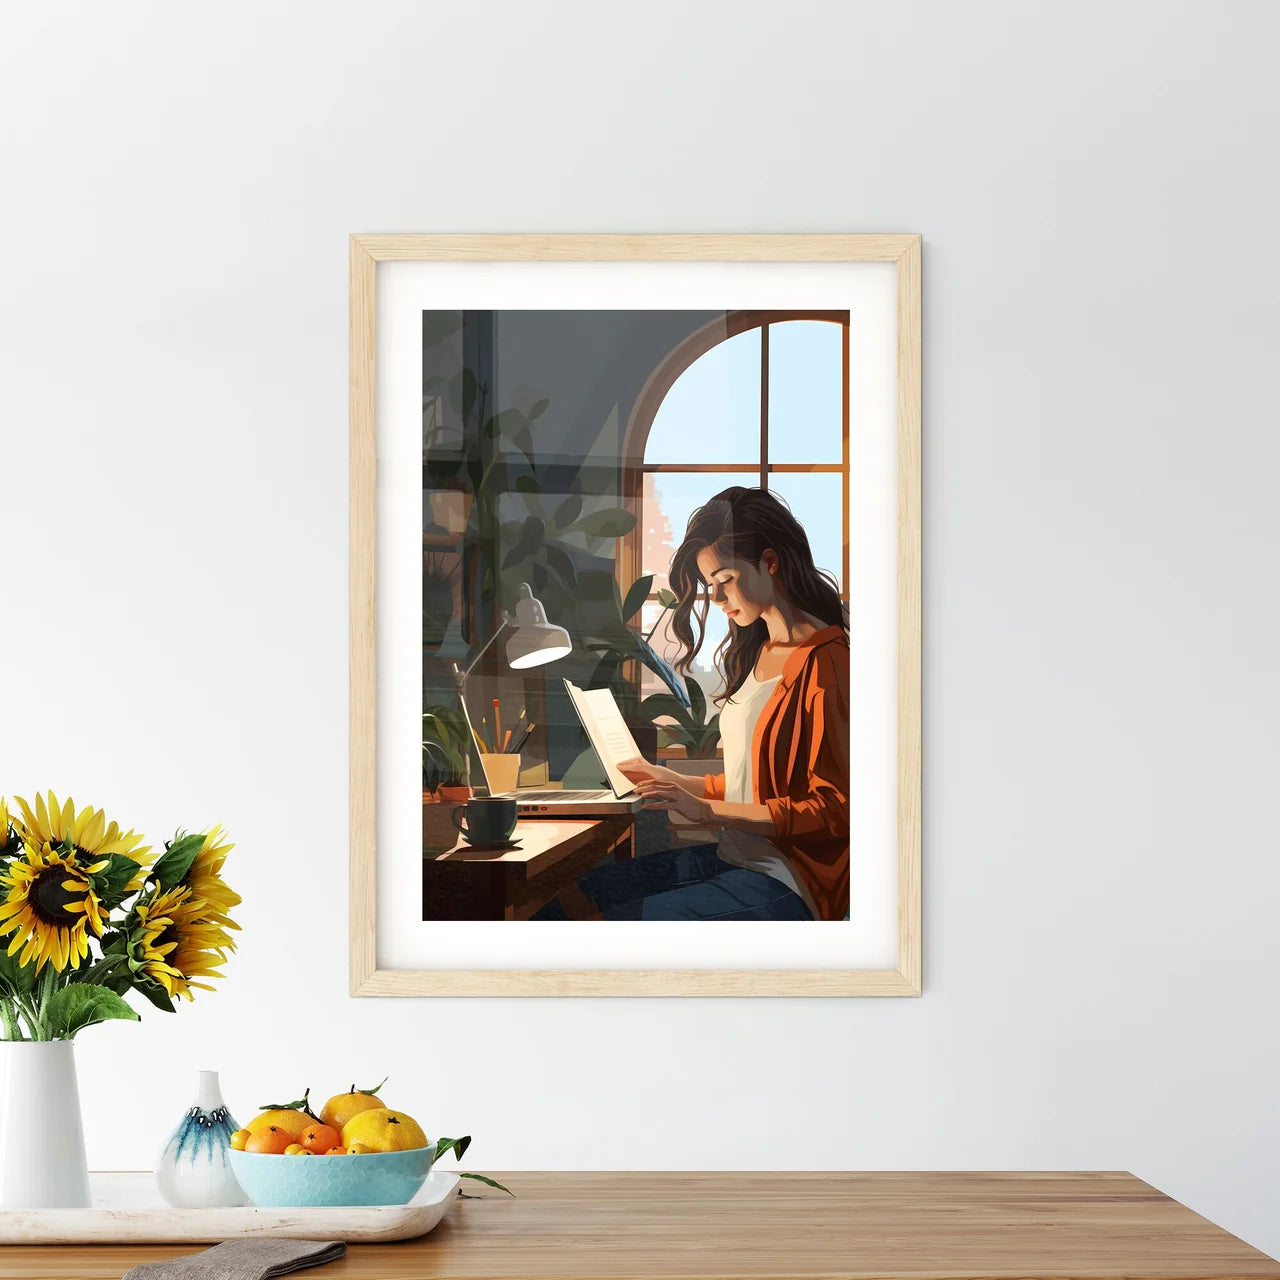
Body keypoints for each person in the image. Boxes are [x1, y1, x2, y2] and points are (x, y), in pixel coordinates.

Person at [541, 485, 849, 921]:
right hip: (734, 858)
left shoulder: (828, 663)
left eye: (725, 580)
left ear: (770, 562)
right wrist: (668, 778)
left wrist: (706, 811)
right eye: (710, 586)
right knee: (566, 900)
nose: (717, 599)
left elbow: (835, 809)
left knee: (612, 923)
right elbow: (749, 787)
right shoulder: (760, 652)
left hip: (787, 879)